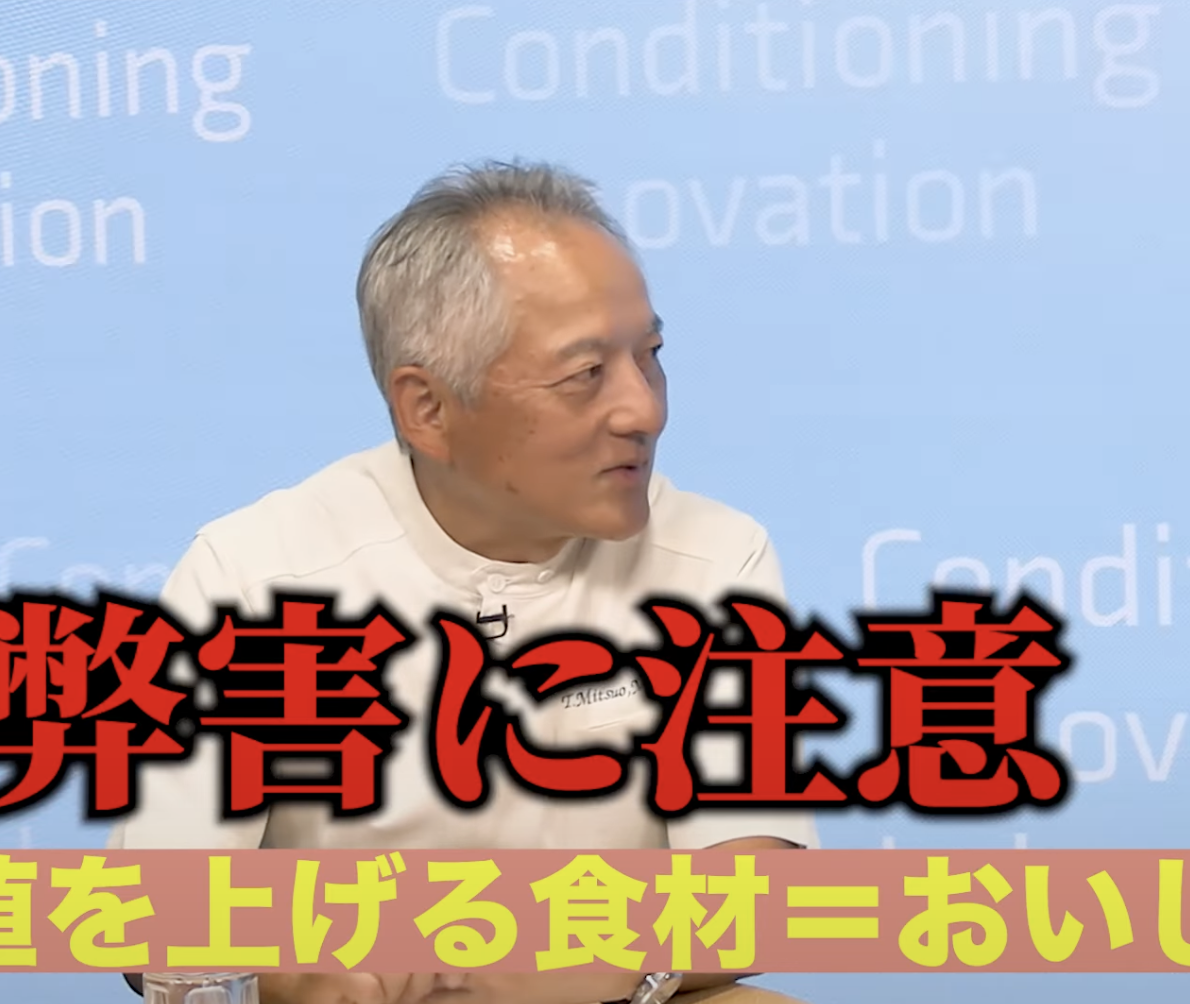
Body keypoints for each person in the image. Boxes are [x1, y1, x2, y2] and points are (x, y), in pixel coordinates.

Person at [109, 159, 820, 1004]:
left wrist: (521, 950)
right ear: (429, 409)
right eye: (586, 375)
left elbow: (759, 892)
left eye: (650, 356)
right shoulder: (256, 574)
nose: (645, 410)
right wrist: (306, 976)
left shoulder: (715, 558)